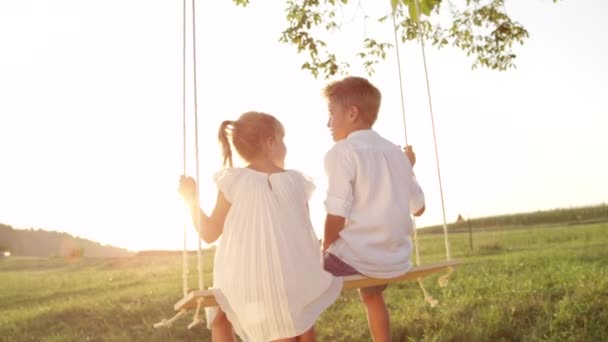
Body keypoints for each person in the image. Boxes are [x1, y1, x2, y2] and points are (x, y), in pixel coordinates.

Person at [178, 111, 342, 342]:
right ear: (270, 142)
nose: (285, 147)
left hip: (245, 279)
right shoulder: (296, 182)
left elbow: (209, 233)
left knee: (220, 317)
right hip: (296, 276)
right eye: (282, 140)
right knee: (297, 314)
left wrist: (191, 200)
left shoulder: (233, 181)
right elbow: (305, 235)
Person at [320, 76, 426, 342]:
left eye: (331, 114)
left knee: (297, 277)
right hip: (395, 258)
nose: (328, 123)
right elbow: (419, 209)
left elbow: (336, 213)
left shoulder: (341, 152)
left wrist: (325, 251)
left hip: (357, 260)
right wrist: (408, 169)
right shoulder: (397, 154)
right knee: (371, 293)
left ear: (352, 113)